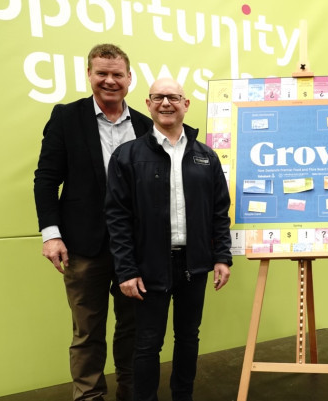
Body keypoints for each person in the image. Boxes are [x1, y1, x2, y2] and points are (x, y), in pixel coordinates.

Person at [33, 43, 153, 401]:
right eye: (102, 73)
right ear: (89, 75)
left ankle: (132, 393)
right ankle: (89, 397)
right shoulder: (67, 118)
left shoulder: (147, 126)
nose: (110, 81)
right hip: (84, 246)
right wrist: (51, 235)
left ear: (130, 78)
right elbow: (45, 179)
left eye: (117, 74)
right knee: (87, 331)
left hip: (135, 249)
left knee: (134, 329)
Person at [105, 77, 232, 401]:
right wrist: (126, 270)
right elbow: (117, 218)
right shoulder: (127, 156)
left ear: (186, 105)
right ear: (148, 104)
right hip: (148, 268)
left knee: (189, 338)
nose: (166, 103)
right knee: (147, 343)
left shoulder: (206, 157)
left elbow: (219, 211)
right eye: (158, 97)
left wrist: (222, 257)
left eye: (174, 97)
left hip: (195, 264)